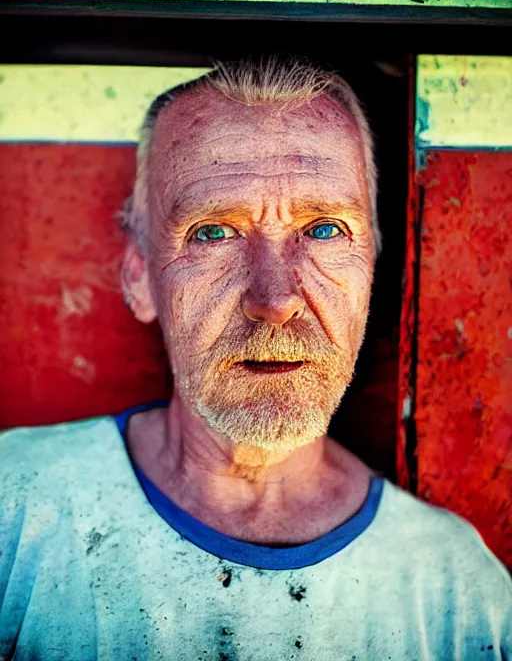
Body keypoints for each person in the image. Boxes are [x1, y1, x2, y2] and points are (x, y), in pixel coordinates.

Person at [0, 58, 510, 661]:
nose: (275, 300)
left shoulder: (457, 593)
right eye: (213, 233)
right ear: (139, 276)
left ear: (372, 268)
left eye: (324, 230)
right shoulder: (16, 510)